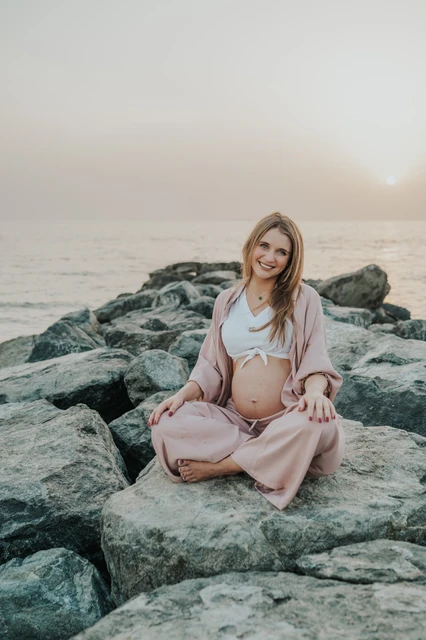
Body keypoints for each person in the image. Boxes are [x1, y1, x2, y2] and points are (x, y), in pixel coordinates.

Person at [148, 212, 345, 510]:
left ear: (291, 260)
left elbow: (315, 360)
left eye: (281, 252)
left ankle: (227, 465)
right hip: (237, 422)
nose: (269, 257)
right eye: (264, 246)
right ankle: (270, 455)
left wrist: (316, 394)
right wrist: (180, 396)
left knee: (317, 423)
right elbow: (210, 365)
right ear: (251, 246)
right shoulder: (227, 300)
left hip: (287, 417)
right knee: (165, 421)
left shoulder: (304, 298)